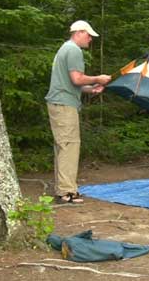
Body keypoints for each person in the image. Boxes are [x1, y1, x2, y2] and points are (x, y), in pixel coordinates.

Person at [46, 20, 112, 204]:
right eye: (88, 35)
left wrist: (91, 89)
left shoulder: (64, 49)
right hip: (64, 105)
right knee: (69, 145)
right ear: (79, 33)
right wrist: (98, 78)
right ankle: (67, 192)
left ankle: (63, 189)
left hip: (59, 103)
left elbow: (68, 83)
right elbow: (76, 79)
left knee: (63, 146)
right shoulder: (73, 50)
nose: (90, 39)